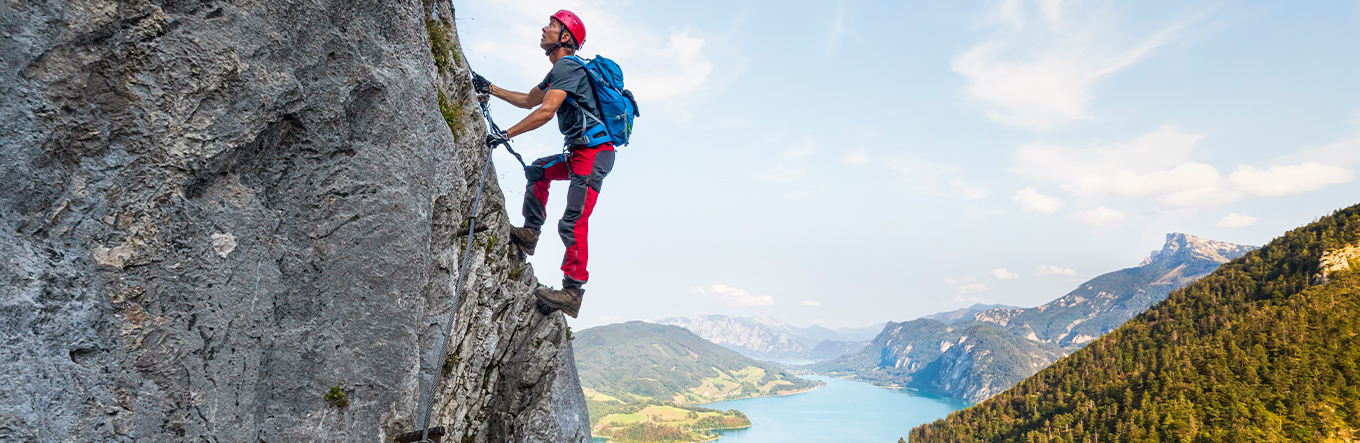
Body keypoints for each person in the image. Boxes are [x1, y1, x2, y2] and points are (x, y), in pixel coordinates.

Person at [471, 10, 612, 319]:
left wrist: (505, 134)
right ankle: (530, 234)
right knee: (537, 170)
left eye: (552, 25)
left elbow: (547, 112)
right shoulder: (559, 71)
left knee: (573, 221)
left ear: (565, 37)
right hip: (580, 153)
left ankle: (572, 291)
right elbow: (528, 100)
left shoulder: (567, 67)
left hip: (594, 153)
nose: (544, 29)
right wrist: (489, 87)